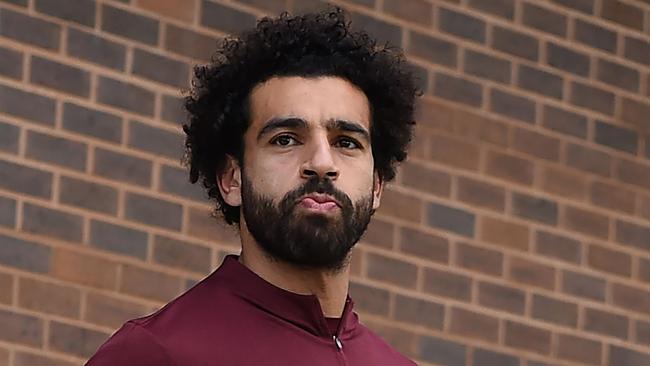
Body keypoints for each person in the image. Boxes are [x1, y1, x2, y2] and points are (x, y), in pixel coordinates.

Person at [86, 6, 418, 365]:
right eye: (286, 139)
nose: (322, 162)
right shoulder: (155, 353)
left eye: (346, 142)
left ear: (377, 187)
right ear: (231, 178)